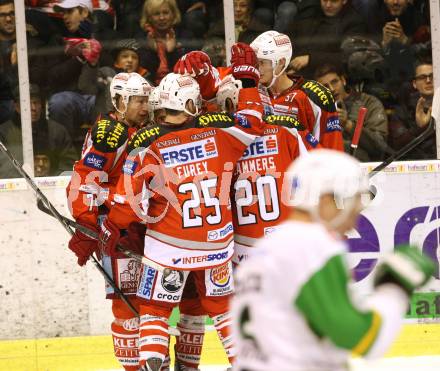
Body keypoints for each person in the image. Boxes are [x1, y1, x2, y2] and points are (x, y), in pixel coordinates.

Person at [98, 46, 264, 370]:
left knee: (156, 308)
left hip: (168, 248)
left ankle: (152, 361)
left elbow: (129, 202)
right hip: (217, 245)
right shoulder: (220, 133)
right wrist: (249, 83)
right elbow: (254, 122)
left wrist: (111, 227)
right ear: (192, 104)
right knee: (222, 306)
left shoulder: (147, 144)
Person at [232, 149, 435, 370]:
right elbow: (364, 340)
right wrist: (394, 289)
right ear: (327, 199)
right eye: (351, 206)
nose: (354, 222)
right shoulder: (313, 247)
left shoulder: (265, 248)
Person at [66, 72, 152, 371]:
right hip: (115, 227)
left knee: (146, 302)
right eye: (138, 100)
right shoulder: (110, 132)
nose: (145, 106)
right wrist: (88, 226)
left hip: (138, 226)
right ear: (120, 101)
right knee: (126, 303)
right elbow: (84, 180)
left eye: (146, 99)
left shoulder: (139, 129)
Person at [174, 31, 343, 151]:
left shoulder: (313, 95)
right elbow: (213, 81)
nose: (255, 68)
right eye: (254, 62)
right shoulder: (247, 81)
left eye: (262, 63)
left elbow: (331, 150)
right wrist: (202, 70)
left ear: (281, 63)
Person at [215, 75, 308, 265]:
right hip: (286, 242)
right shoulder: (287, 131)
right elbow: (321, 167)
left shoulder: (220, 141)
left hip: (240, 248)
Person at [315, 63, 389, 161]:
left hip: (366, 168)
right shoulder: (315, 111)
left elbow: (381, 146)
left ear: (343, 80)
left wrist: (348, 124)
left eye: (334, 82)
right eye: (325, 87)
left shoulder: (369, 103)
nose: (331, 89)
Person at [0, 84, 77, 178]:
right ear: (17, 107)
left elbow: (69, 166)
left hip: (52, 190)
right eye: (27, 103)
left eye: (36, 103)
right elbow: (4, 171)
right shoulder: (3, 133)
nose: (33, 108)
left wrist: (50, 181)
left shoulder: (57, 131)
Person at [286, 0, 367, 79]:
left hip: (325, 74)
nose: (328, 5)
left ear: (344, 1)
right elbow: (289, 38)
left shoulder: (354, 22)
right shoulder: (309, 13)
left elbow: (349, 58)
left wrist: (310, 59)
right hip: (292, 67)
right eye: (324, 0)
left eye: (334, 1)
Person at [135, 0, 196, 85]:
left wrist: (172, 52)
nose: (162, 18)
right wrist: (152, 50)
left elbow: (189, 70)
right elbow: (143, 72)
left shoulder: (185, 35)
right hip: (149, 86)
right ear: (149, 17)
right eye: (156, 14)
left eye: (166, 13)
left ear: (173, 14)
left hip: (181, 85)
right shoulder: (141, 37)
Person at [388, 58, 435, 159]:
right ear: (414, 83)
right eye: (422, 77)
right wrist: (420, 128)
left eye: (432, 76)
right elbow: (397, 146)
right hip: (414, 167)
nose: (428, 80)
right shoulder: (402, 111)